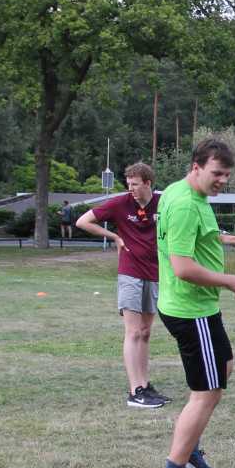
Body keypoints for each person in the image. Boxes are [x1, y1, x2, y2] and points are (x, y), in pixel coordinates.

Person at [151, 138, 235, 468]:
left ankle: (189, 445)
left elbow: (190, 240)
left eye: (226, 174)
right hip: (191, 310)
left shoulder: (181, 192)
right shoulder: (186, 206)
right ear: (196, 167)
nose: (222, 180)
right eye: (216, 173)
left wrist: (221, 239)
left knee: (223, 368)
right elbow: (182, 267)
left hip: (197, 308)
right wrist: (228, 280)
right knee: (206, 393)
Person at [73, 162, 169, 408]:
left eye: (135, 184)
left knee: (146, 333)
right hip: (130, 273)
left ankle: (145, 387)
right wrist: (115, 236)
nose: (131, 189)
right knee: (133, 332)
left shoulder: (163, 202)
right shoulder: (119, 204)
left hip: (155, 273)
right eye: (128, 185)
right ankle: (135, 390)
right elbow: (83, 222)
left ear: (148, 184)